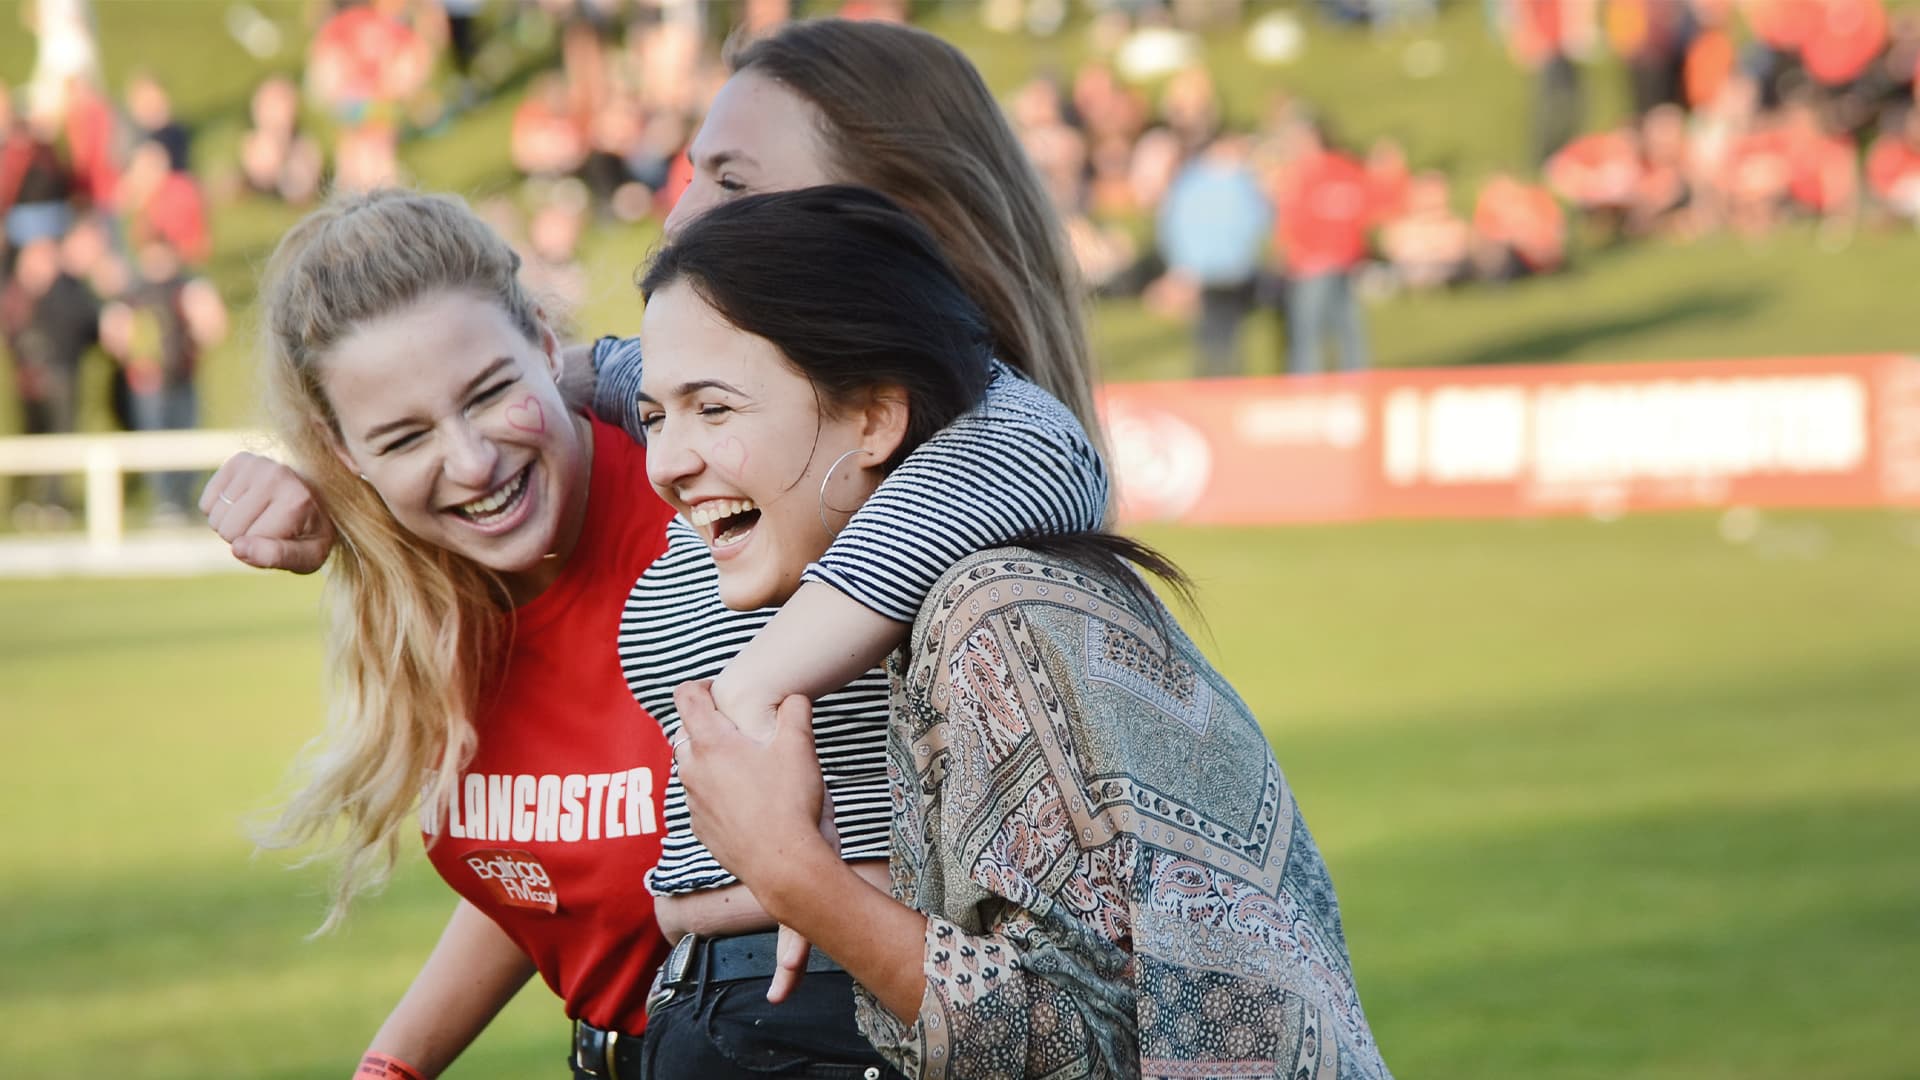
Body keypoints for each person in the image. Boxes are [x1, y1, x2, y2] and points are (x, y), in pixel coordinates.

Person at [210, 18, 1116, 1077]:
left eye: (727, 182)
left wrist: (781, 849)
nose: (675, 217)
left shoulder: (885, 460)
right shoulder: (594, 475)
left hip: (804, 1027)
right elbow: (556, 866)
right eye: (401, 436)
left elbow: (1039, 1006)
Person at [642, 184, 1393, 1080]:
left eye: (714, 410)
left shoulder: (999, 618)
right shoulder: (910, 609)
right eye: (653, 415)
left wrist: (801, 879)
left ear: (877, 418)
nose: (663, 464)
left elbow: (1093, 1040)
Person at [1156, 133, 1271, 378]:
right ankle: (1215, 374)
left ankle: (1220, 373)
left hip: (1227, 265)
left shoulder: (1200, 181)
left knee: (1223, 325)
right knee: (1215, 324)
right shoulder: (1206, 182)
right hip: (1212, 266)